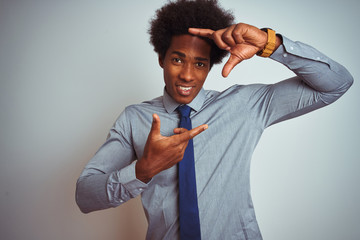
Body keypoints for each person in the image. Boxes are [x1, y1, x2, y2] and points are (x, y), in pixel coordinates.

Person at [75, 0, 353, 239]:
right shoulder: (135, 118)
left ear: (210, 65)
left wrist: (271, 44)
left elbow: (336, 84)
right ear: (161, 58)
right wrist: (142, 170)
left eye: (199, 64)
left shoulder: (244, 105)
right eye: (177, 60)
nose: (187, 75)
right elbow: (85, 196)